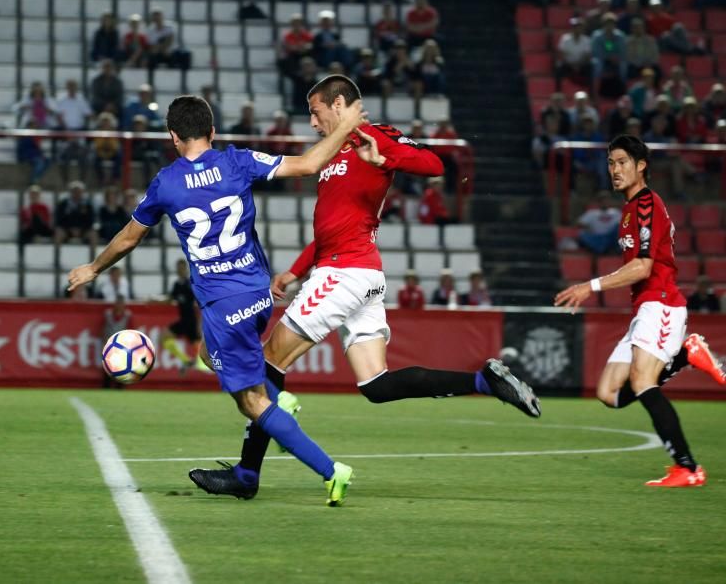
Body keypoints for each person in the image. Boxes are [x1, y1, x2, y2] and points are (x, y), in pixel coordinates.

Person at [185, 76, 542, 501]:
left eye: (316, 113)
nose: (314, 124)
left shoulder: (373, 136)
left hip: (345, 273)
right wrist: (297, 270)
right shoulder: (334, 147)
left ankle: (246, 476)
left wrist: (383, 158)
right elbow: (332, 224)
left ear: (338, 103)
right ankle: (485, 382)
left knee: (267, 363)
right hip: (354, 273)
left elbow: (435, 164)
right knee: (376, 385)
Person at [67, 93, 369, 505]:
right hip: (258, 295)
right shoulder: (237, 161)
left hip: (223, 305)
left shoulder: (166, 182)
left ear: (173, 136)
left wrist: (93, 269)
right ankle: (280, 406)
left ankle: (331, 471)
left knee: (251, 403)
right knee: (209, 357)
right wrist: (347, 126)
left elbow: (129, 237)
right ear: (212, 131)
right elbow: (310, 164)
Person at [555, 134, 726, 487]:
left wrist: (591, 286)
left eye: (622, 162)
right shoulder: (631, 209)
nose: (615, 170)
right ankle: (685, 355)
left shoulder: (646, 204)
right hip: (646, 308)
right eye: (611, 163)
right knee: (609, 394)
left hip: (661, 302)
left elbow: (644, 267)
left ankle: (688, 467)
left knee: (643, 382)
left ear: (641, 166)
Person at [160, 258, 206, 373]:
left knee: (199, 348)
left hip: (191, 320)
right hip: (183, 320)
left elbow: (199, 304)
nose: (180, 270)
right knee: (164, 337)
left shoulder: (190, 284)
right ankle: (186, 360)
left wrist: (199, 324)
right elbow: (170, 299)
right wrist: (154, 301)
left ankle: (206, 368)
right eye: (178, 268)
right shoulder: (177, 285)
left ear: (186, 269)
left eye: (182, 268)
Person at [54, 181, 99, 248]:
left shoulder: (88, 205)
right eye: (74, 191)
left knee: (93, 234)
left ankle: (94, 257)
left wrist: (80, 229)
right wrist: (70, 228)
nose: (77, 193)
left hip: (84, 230)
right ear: (70, 192)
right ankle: (57, 256)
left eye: (79, 191)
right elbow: (58, 219)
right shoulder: (63, 204)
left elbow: (91, 220)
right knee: (58, 233)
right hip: (67, 230)